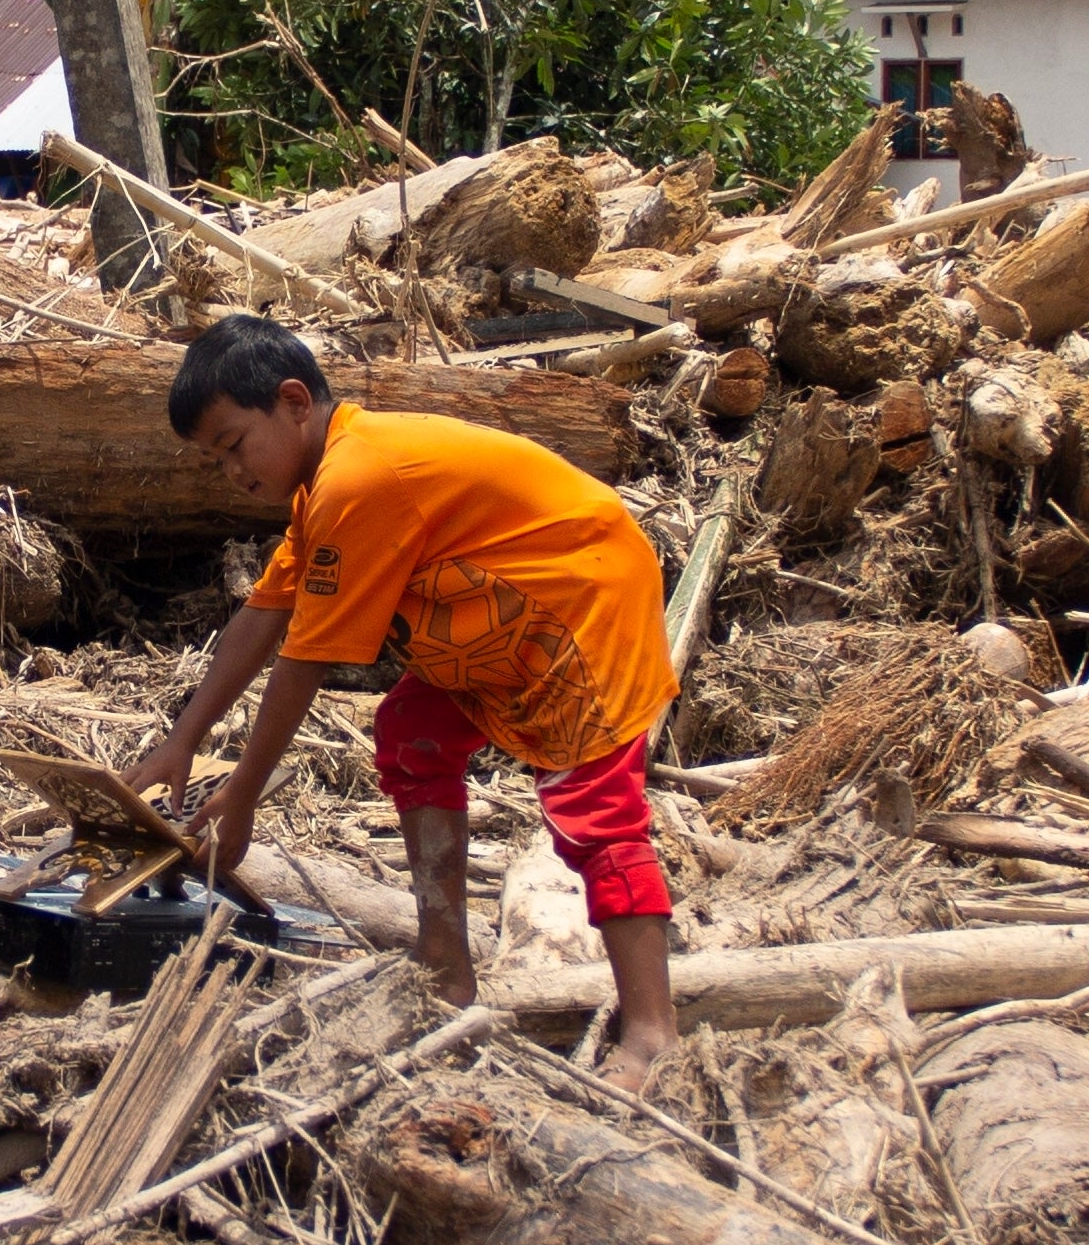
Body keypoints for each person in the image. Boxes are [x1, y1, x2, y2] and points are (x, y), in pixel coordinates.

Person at [119, 313, 682, 1083]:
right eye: (215, 461)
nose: (233, 473)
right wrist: (182, 738)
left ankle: (652, 1031)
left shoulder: (360, 477)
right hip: (503, 619)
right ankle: (445, 967)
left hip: (577, 606)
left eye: (233, 446)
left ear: (293, 402)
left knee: (592, 805)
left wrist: (243, 793)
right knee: (413, 727)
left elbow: (303, 659)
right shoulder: (325, 489)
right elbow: (262, 615)